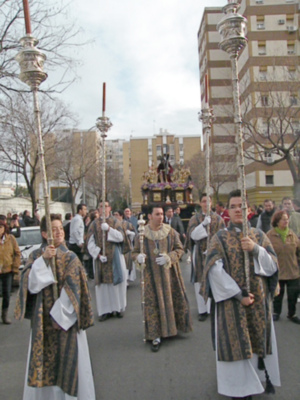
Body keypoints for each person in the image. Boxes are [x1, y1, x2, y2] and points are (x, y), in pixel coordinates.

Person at [201, 189, 280, 400]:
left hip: (258, 302)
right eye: (233, 206)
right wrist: (238, 295)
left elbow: (272, 267)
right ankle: (237, 389)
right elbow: (214, 271)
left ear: (249, 210)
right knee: (236, 343)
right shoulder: (220, 237)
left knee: (255, 344)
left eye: (241, 206)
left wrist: (256, 249)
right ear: (227, 210)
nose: (238, 210)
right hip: (232, 305)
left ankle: (256, 382)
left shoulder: (259, 235)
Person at [15, 213, 95, 399]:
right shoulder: (36, 255)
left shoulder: (71, 257)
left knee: (68, 362)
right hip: (41, 321)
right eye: (54, 229)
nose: (59, 232)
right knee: (44, 362)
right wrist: (42, 261)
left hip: (65, 321)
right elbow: (29, 283)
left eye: (60, 228)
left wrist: (60, 316)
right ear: (44, 234)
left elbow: (74, 289)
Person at [133, 206, 192, 352]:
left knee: (171, 299)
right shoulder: (141, 234)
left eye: (162, 214)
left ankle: (172, 329)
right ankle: (155, 335)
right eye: (157, 214)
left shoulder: (170, 232)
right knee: (152, 304)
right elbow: (133, 252)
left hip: (169, 275)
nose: (161, 217)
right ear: (149, 216)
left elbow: (180, 249)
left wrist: (169, 257)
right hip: (150, 276)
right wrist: (137, 257)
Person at [87, 201, 130, 321]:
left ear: (110, 208)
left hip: (115, 256)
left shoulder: (116, 222)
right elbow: (90, 242)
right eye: (101, 207)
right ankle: (105, 310)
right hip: (101, 259)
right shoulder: (94, 225)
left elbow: (121, 237)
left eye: (105, 206)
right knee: (103, 286)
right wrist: (98, 254)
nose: (103, 209)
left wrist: (110, 230)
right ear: (98, 210)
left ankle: (118, 308)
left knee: (117, 283)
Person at [185, 193, 225, 321]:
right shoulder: (194, 219)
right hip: (199, 253)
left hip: (214, 253)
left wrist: (214, 248)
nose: (206, 204)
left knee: (215, 278)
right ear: (200, 203)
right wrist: (202, 225)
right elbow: (192, 235)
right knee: (199, 280)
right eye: (203, 201)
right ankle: (202, 310)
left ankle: (214, 308)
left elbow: (223, 236)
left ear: (211, 203)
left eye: (208, 201)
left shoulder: (218, 219)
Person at [267, 210, 300, 324]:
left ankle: (292, 314)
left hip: (293, 271)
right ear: (277, 221)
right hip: (278, 271)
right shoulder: (270, 235)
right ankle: (276, 312)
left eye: (287, 219)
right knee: (278, 295)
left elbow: (298, 251)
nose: (286, 221)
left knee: (293, 295)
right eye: (283, 219)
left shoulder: (292, 235)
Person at [0, 220, 21, 324]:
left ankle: (4, 315)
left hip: (7, 271)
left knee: (7, 294)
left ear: (4, 229)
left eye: (1, 228)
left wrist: (15, 267)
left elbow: (17, 253)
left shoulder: (10, 239)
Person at [113, 210, 136, 283]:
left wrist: (130, 234)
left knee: (127, 263)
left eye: (116, 214)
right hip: (116, 246)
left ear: (121, 216)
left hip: (127, 246)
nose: (115, 216)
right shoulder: (113, 224)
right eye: (114, 214)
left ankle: (126, 279)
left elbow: (135, 234)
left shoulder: (127, 224)